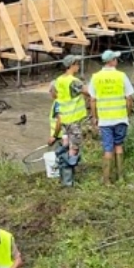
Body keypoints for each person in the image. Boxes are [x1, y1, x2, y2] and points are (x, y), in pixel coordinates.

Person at [85, 49, 134, 184]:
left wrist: (94, 117)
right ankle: (121, 177)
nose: (117, 61)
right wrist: (128, 113)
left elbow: (92, 100)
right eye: (116, 59)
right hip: (120, 117)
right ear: (112, 61)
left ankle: (106, 180)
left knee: (108, 148)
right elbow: (129, 98)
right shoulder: (121, 76)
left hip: (105, 119)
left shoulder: (95, 77)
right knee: (119, 145)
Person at [48, 57, 87, 187]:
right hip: (73, 121)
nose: (79, 67)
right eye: (77, 64)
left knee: (65, 147)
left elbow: (57, 94)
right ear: (72, 65)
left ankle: (64, 178)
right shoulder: (73, 81)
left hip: (65, 121)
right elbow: (89, 92)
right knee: (73, 149)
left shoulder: (59, 80)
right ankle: (68, 182)